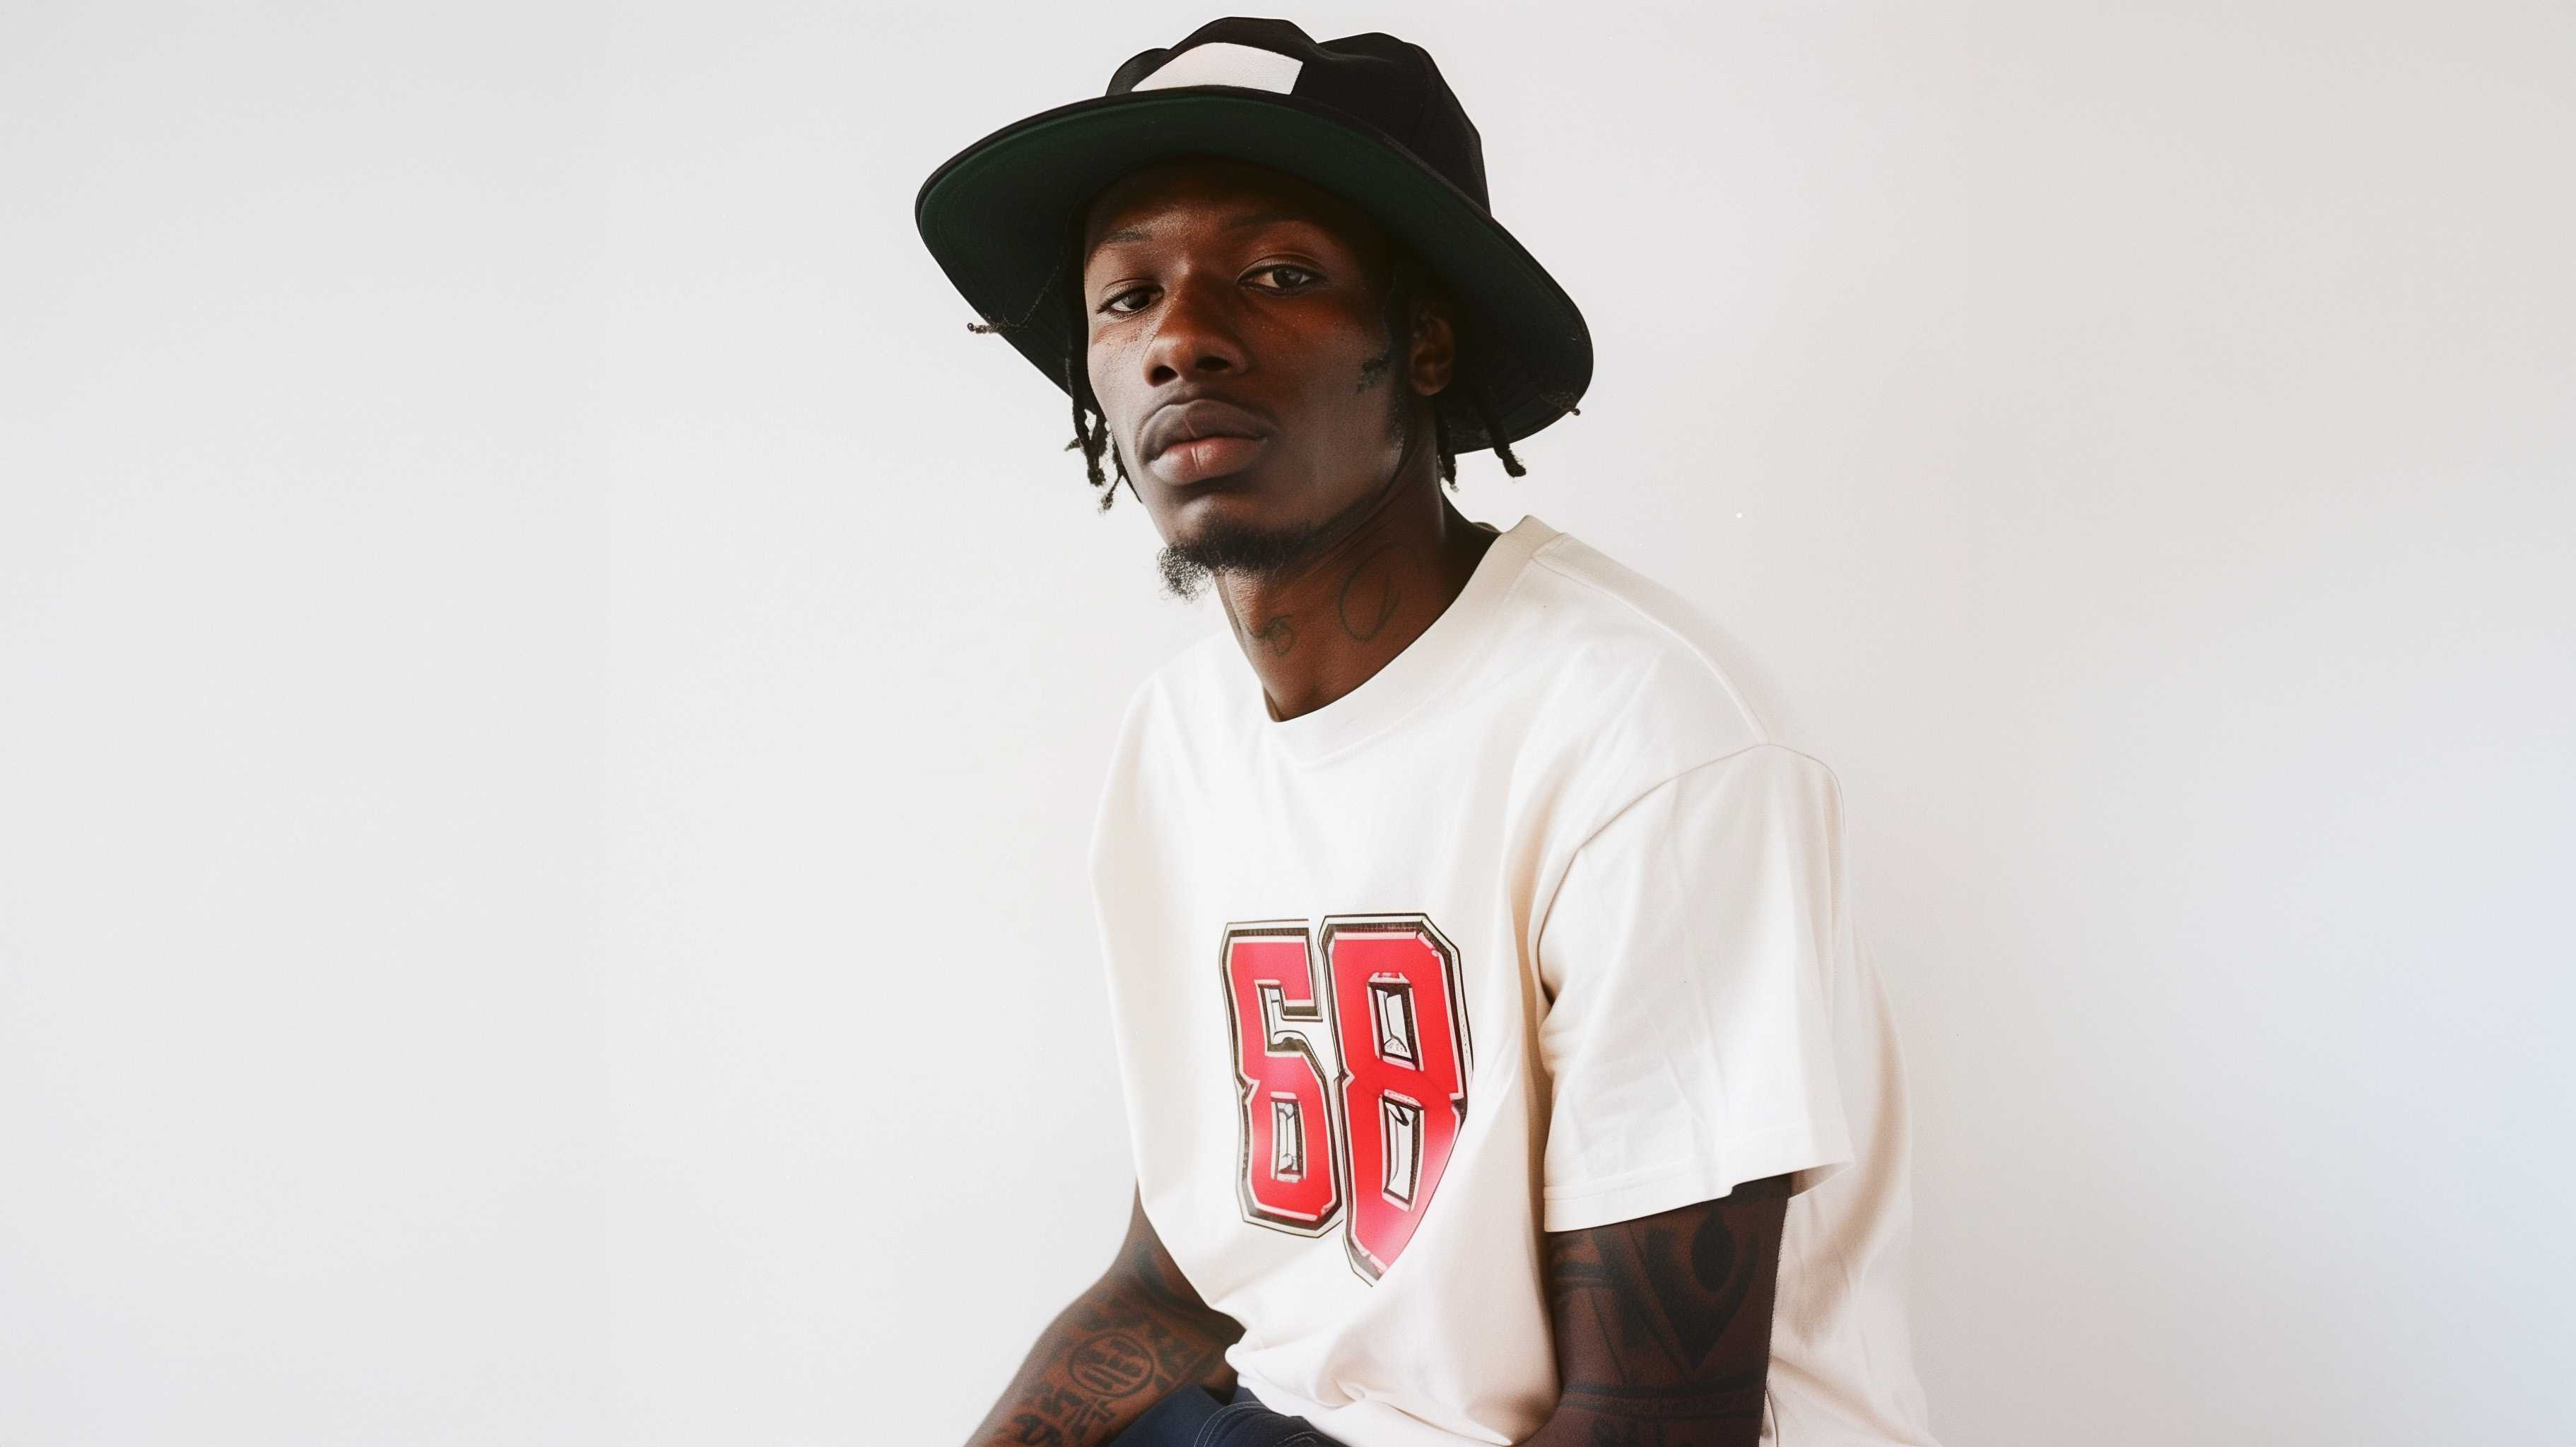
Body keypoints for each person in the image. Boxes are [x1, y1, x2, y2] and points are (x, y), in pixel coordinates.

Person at [914, 18, 1941, 1447]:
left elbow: (1656, 1423)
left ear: (1424, 341)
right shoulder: (1178, 745)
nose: (1180, 338)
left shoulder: (1642, 736)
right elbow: (1171, 1293)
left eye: (1279, 274)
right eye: (1127, 295)